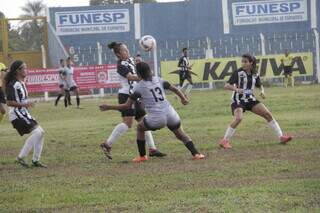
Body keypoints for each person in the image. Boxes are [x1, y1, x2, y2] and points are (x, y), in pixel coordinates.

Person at [99, 62, 205, 163]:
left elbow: (127, 105)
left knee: (140, 128)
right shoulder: (158, 79)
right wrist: (183, 99)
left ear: (139, 74)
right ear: (150, 70)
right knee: (180, 134)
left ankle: (142, 156)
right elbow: (175, 89)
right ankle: (196, 154)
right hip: (171, 113)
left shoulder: (139, 87)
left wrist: (108, 107)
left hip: (157, 117)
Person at [100, 42, 166, 160]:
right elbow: (130, 77)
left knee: (143, 122)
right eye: (124, 50)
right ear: (118, 54)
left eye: (127, 49)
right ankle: (107, 144)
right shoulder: (120, 65)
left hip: (136, 94)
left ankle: (152, 149)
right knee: (127, 123)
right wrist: (143, 77)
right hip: (126, 95)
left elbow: (137, 63)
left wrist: (142, 54)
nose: (127, 51)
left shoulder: (130, 59)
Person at [219, 54, 292, 149]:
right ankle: (224, 141)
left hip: (250, 99)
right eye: (242, 61)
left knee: (268, 114)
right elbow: (226, 86)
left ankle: (281, 137)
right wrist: (236, 90)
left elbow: (259, 84)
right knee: (239, 118)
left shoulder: (255, 74)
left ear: (251, 63)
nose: (243, 63)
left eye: (245, 62)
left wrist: (262, 91)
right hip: (238, 99)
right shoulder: (238, 73)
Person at [4, 60, 46, 167]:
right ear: (18, 70)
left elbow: (21, 100)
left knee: (41, 132)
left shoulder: (22, 83)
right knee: (38, 132)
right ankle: (21, 157)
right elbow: (9, 102)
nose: (26, 70)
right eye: (24, 68)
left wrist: (29, 103)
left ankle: (35, 161)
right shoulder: (13, 84)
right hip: (16, 114)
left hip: (23, 113)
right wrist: (25, 105)